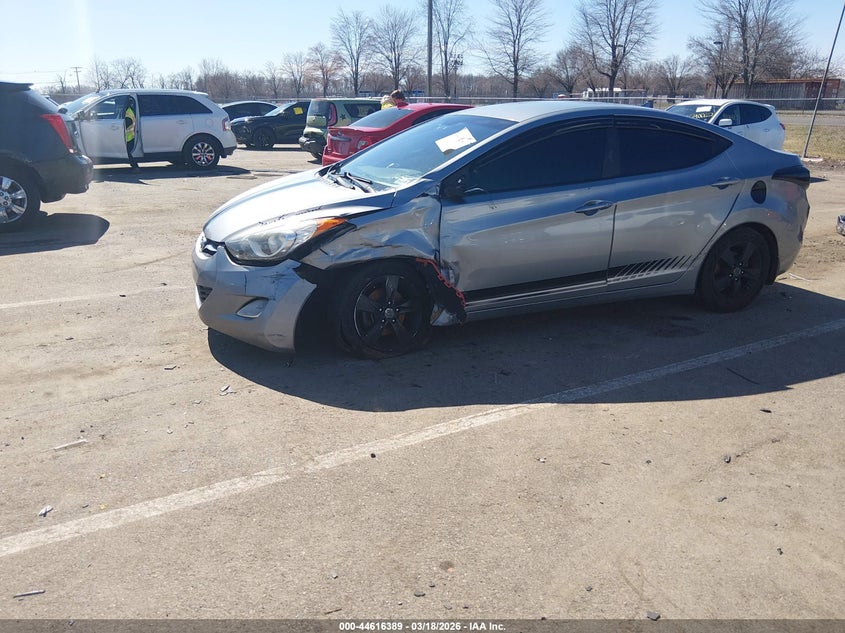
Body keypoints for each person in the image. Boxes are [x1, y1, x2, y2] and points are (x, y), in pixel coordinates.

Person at [123, 97, 139, 171]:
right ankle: (134, 166)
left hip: (128, 136)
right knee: (128, 152)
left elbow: (127, 124)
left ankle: (135, 167)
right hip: (130, 135)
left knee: (128, 153)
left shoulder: (127, 113)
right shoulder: (130, 111)